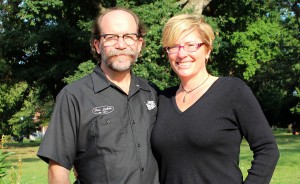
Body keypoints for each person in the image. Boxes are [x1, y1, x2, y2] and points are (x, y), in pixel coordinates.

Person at [151, 14, 280, 184]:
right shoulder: (162, 98)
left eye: (191, 45)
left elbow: (268, 149)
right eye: (173, 46)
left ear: (208, 50)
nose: (182, 54)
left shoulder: (233, 91)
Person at [37, 7, 159, 184]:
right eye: (111, 37)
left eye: (129, 37)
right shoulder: (74, 96)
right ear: (97, 45)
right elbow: (58, 170)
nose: (121, 44)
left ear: (139, 44)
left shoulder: (153, 93)